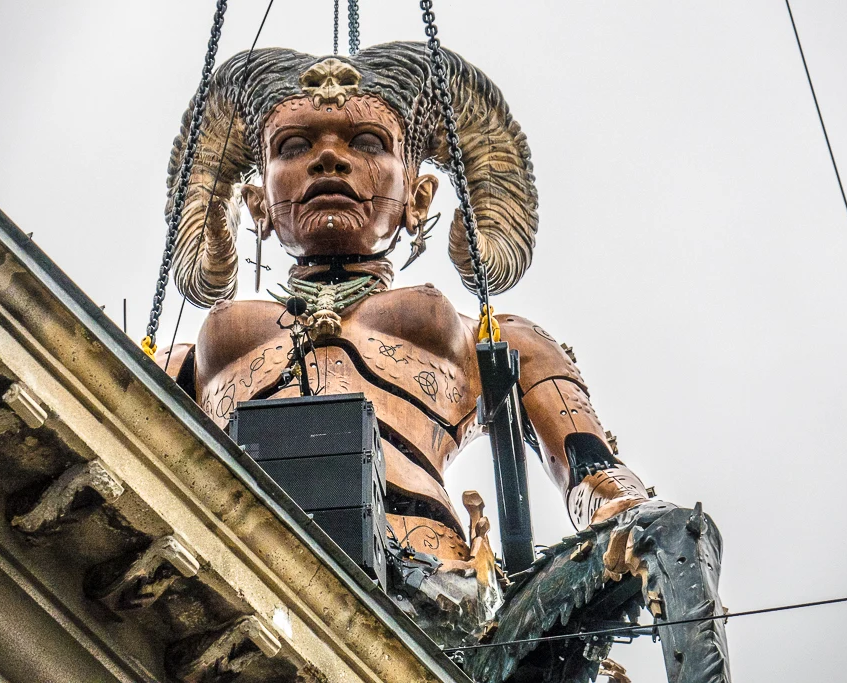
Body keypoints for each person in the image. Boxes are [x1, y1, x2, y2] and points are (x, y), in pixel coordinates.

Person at [156, 43, 731, 683]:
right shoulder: (191, 363)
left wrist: (623, 510)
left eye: (368, 141)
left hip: (439, 602)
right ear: (259, 204)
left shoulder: (490, 338)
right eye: (292, 146)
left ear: (420, 198)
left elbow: (591, 470)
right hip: (232, 572)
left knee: (674, 532)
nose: (327, 157)